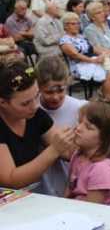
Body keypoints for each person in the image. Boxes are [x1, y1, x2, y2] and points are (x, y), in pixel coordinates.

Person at [0, 60, 74, 189]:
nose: (34, 106)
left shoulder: (36, 116)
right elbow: (10, 180)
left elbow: (68, 152)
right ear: (3, 103)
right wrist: (54, 150)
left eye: (36, 96)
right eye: (25, 103)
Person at [36, 55, 87, 196]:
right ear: (38, 86)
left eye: (60, 90)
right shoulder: (31, 109)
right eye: (49, 92)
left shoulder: (81, 109)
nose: (55, 97)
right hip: (41, 185)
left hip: (71, 184)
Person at [65, 101, 110, 205]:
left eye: (88, 127)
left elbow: (92, 209)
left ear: (106, 138)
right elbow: (69, 190)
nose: (78, 128)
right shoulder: (79, 155)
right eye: (79, 122)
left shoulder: (102, 169)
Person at [60, 12, 110, 101]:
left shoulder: (81, 37)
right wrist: (94, 61)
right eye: (73, 24)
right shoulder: (64, 40)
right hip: (78, 66)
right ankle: (107, 101)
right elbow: (75, 55)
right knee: (109, 73)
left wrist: (106, 53)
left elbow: (93, 49)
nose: (77, 26)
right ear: (66, 26)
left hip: (90, 62)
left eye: (78, 23)